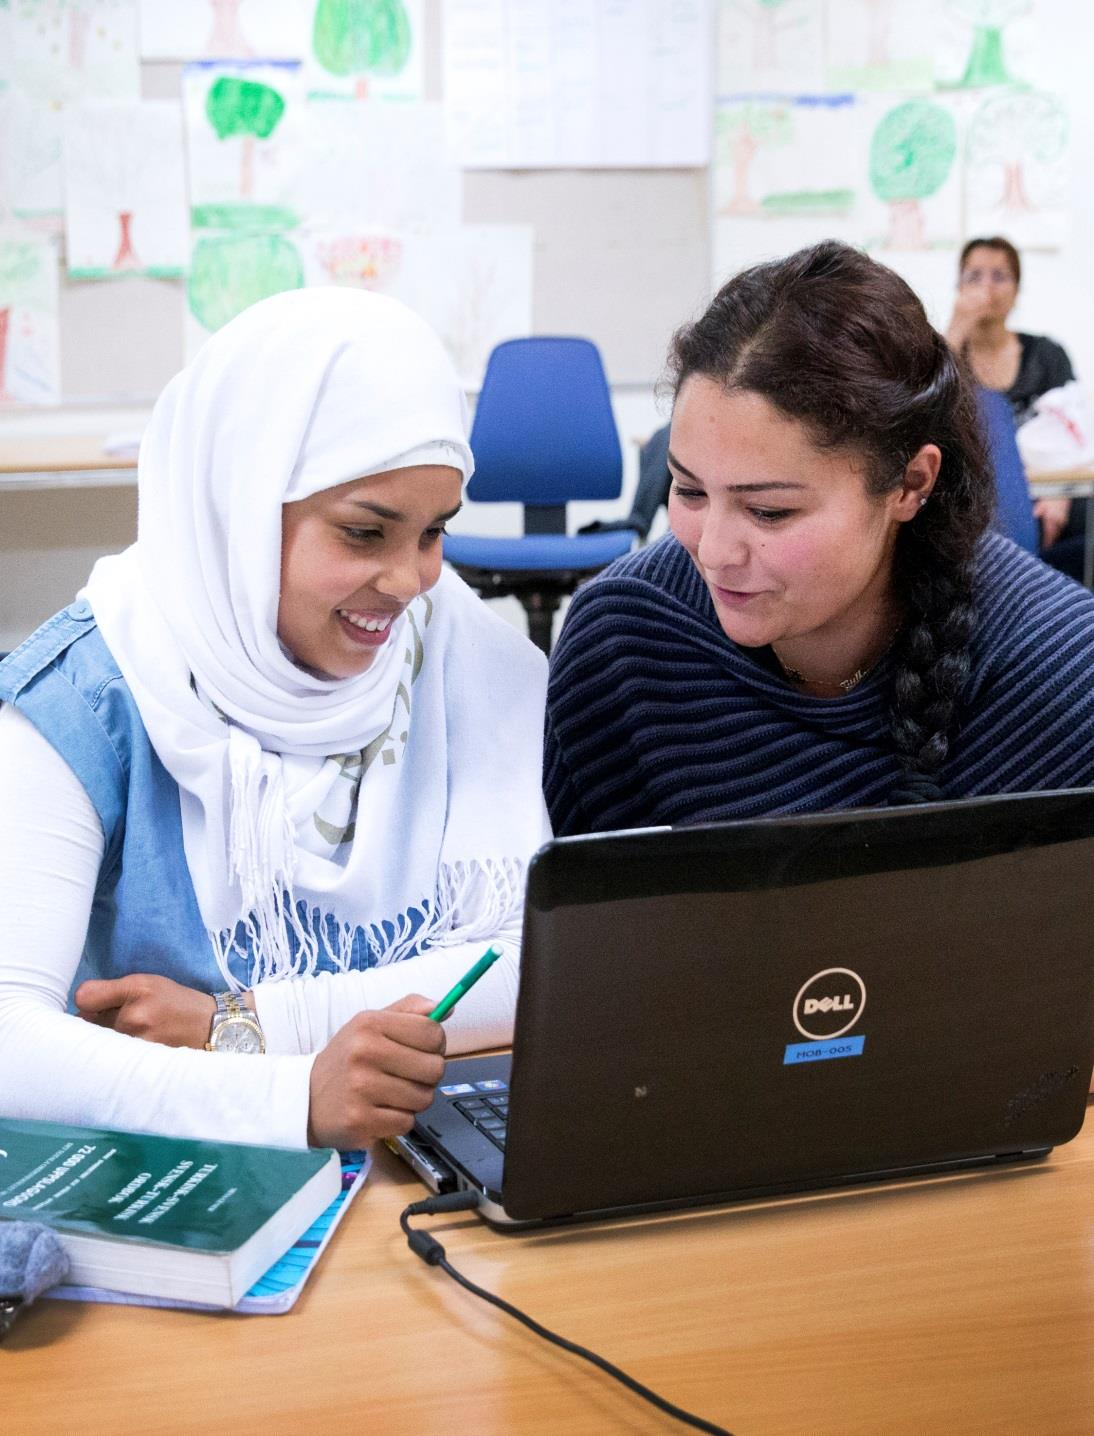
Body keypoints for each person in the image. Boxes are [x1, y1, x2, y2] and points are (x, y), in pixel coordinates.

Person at [0, 288, 548, 1151]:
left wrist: (246, 1024)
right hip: (177, 1191)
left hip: (408, 1168)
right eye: (366, 534)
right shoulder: (82, 703)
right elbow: (10, 1046)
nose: (411, 582)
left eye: (435, 531)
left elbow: (541, 963)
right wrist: (293, 1099)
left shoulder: (465, 656)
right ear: (242, 506)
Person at [544, 240, 1094, 836]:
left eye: (769, 511)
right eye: (689, 491)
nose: (713, 551)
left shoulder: (1061, 674)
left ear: (910, 484)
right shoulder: (624, 640)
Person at [945, 235, 1078, 560]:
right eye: (974, 276)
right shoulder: (946, 355)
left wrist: (1063, 494)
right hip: (974, 499)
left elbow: (1075, 429)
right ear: (958, 286)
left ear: (1017, 290)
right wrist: (957, 326)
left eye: (1000, 276)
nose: (986, 286)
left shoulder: (1047, 355)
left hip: (1046, 493)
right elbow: (925, 409)